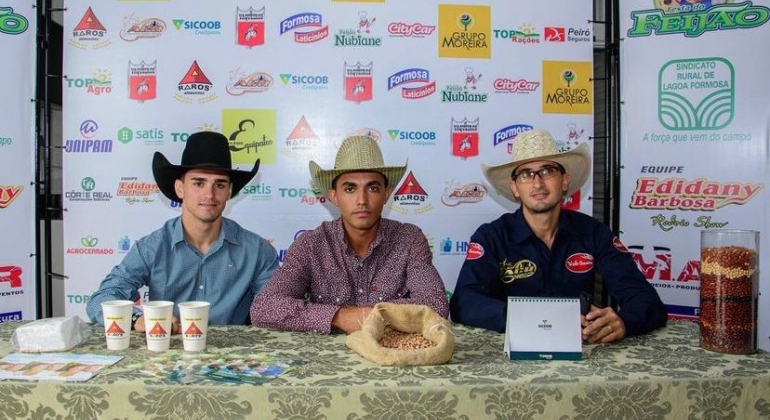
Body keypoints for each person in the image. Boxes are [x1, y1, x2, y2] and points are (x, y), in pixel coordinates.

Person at [450, 129, 666, 343]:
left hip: (582, 359)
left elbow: (647, 300)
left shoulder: (593, 233)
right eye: (526, 174)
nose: (537, 183)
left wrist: (624, 321)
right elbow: (463, 303)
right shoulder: (491, 236)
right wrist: (526, 318)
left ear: (564, 181)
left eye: (547, 171)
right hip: (511, 356)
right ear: (515, 188)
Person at [250, 135, 449, 334]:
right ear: (334, 196)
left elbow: (435, 304)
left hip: (394, 359)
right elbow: (264, 308)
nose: (362, 200)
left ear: (386, 194)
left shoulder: (409, 239)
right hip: (326, 361)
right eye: (350, 188)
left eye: (372, 188)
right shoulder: (311, 245)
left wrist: (376, 315)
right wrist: (339, 317)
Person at [86, 132, 279, 332]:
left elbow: (274, 307)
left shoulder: (257, 251)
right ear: (180, 188)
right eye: (198, 183)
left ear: (229, 192)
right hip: (168, 353)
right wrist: (136, 320)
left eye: (219, 184)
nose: (209, 194)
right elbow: (103, 298)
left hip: (237, 356)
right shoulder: (152, 247)